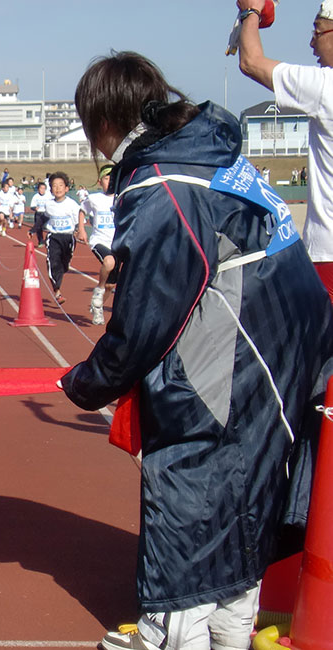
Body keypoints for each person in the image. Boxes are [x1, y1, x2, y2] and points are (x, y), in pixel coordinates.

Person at [63, 51, 333, 650]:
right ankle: (228, 631)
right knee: (246, 486)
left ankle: (169, 633)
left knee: (191, 473)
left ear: (106, 119)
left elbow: (146, 317)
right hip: (294, 339)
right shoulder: (207, 150)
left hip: (247, 350)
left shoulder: (164, 183)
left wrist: (88, 382)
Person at [236, 0, 333, 302]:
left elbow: (251, 61)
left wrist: (250, 11)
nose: (311, 42)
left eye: (317, 31)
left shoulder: (324, 86)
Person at [76, 165, 117, 325]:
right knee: (109, 262)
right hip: (99, 240)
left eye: (113, 178)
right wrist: (81, 229)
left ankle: (97, 306)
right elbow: (82, 210)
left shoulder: (122, 197)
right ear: (100, 182)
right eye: (107, 178)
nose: (110, 181)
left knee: (112, 284)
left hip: (117, 242)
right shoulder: (94, 198)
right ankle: (98, 290)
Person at [43, 172, 79, 304]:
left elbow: (78, 221)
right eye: (54, 186)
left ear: (66, 188)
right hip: (53, 237)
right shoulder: (49, 204)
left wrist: (78, 231)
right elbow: (44, 217)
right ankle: (57, 291)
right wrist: (33, 229)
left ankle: (62, 270)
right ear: (51, 189)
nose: (57, 188)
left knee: (63, 265)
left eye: (60, 185)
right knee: (53, 262)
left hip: (68, 238)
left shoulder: (73, 205)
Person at [27, 181, 51, 246]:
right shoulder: (35, 196)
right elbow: (32, 206)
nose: (42, 190)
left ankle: (31, 231)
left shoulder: (49, 196)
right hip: (38, 213)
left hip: (46, 213)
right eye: (41, 188)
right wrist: (35, 208)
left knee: (48, 227)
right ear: (38, 189)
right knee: (39, 227)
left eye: (44, 189)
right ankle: (40, 241)